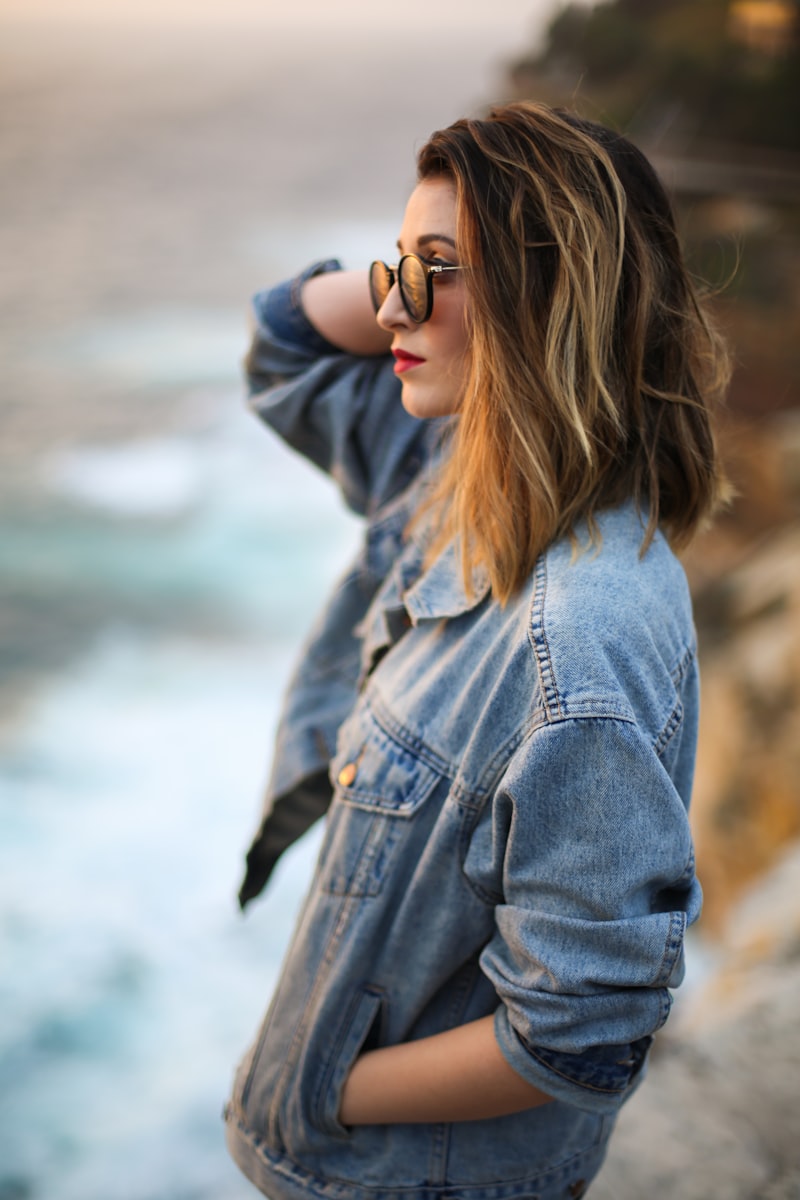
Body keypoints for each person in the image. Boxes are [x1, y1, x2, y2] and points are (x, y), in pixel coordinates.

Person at [224, 101, 730, 1200]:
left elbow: (578, 1036)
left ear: (553, 298)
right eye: (391, 265)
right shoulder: (455, 474)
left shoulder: (578, 638)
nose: (392, 302)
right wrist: (421, 279)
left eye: (437, 272)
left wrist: (322, 1089)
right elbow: (284, 342)